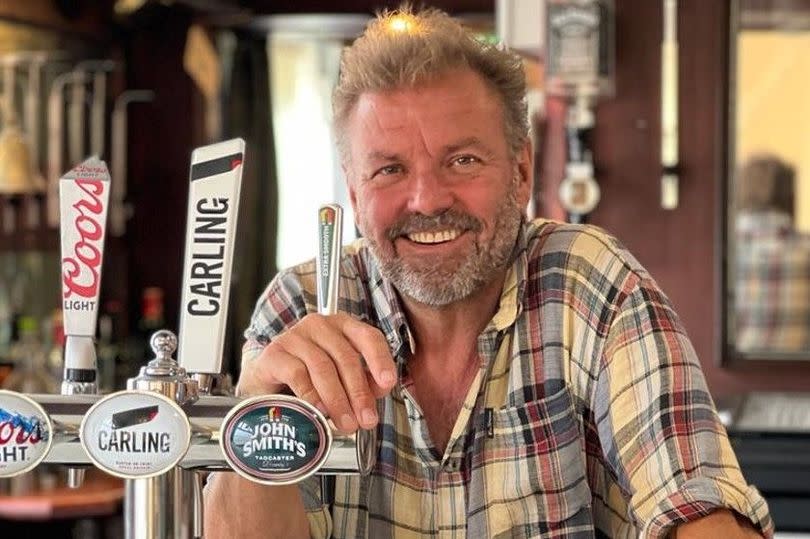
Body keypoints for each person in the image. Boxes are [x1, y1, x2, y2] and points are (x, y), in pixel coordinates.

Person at [205, 6, 773, 538]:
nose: (426, 200)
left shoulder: (588, 284)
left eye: (463, 160)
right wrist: (256, 415)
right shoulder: (303, 306)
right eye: (390, 170)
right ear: (355, 195)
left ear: (521, 172)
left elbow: (693, 498)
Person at [734, 154, 810, 353]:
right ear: (791, 197)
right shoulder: (805, 250)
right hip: (797, 380)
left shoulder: (716, 254)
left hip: (727, 382)